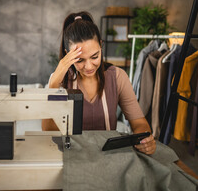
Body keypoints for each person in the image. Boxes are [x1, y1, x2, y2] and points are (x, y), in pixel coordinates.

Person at [43, 11, 156, 155]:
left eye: (94, 56)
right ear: (67, 55)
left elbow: (139, 123)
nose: (89, 66)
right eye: (80, 60)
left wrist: (145, 141)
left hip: (109, 157)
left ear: (101, 46)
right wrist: (53, 86)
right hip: (73, 156)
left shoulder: (117, 77)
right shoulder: (59, 81)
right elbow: (47, 132)